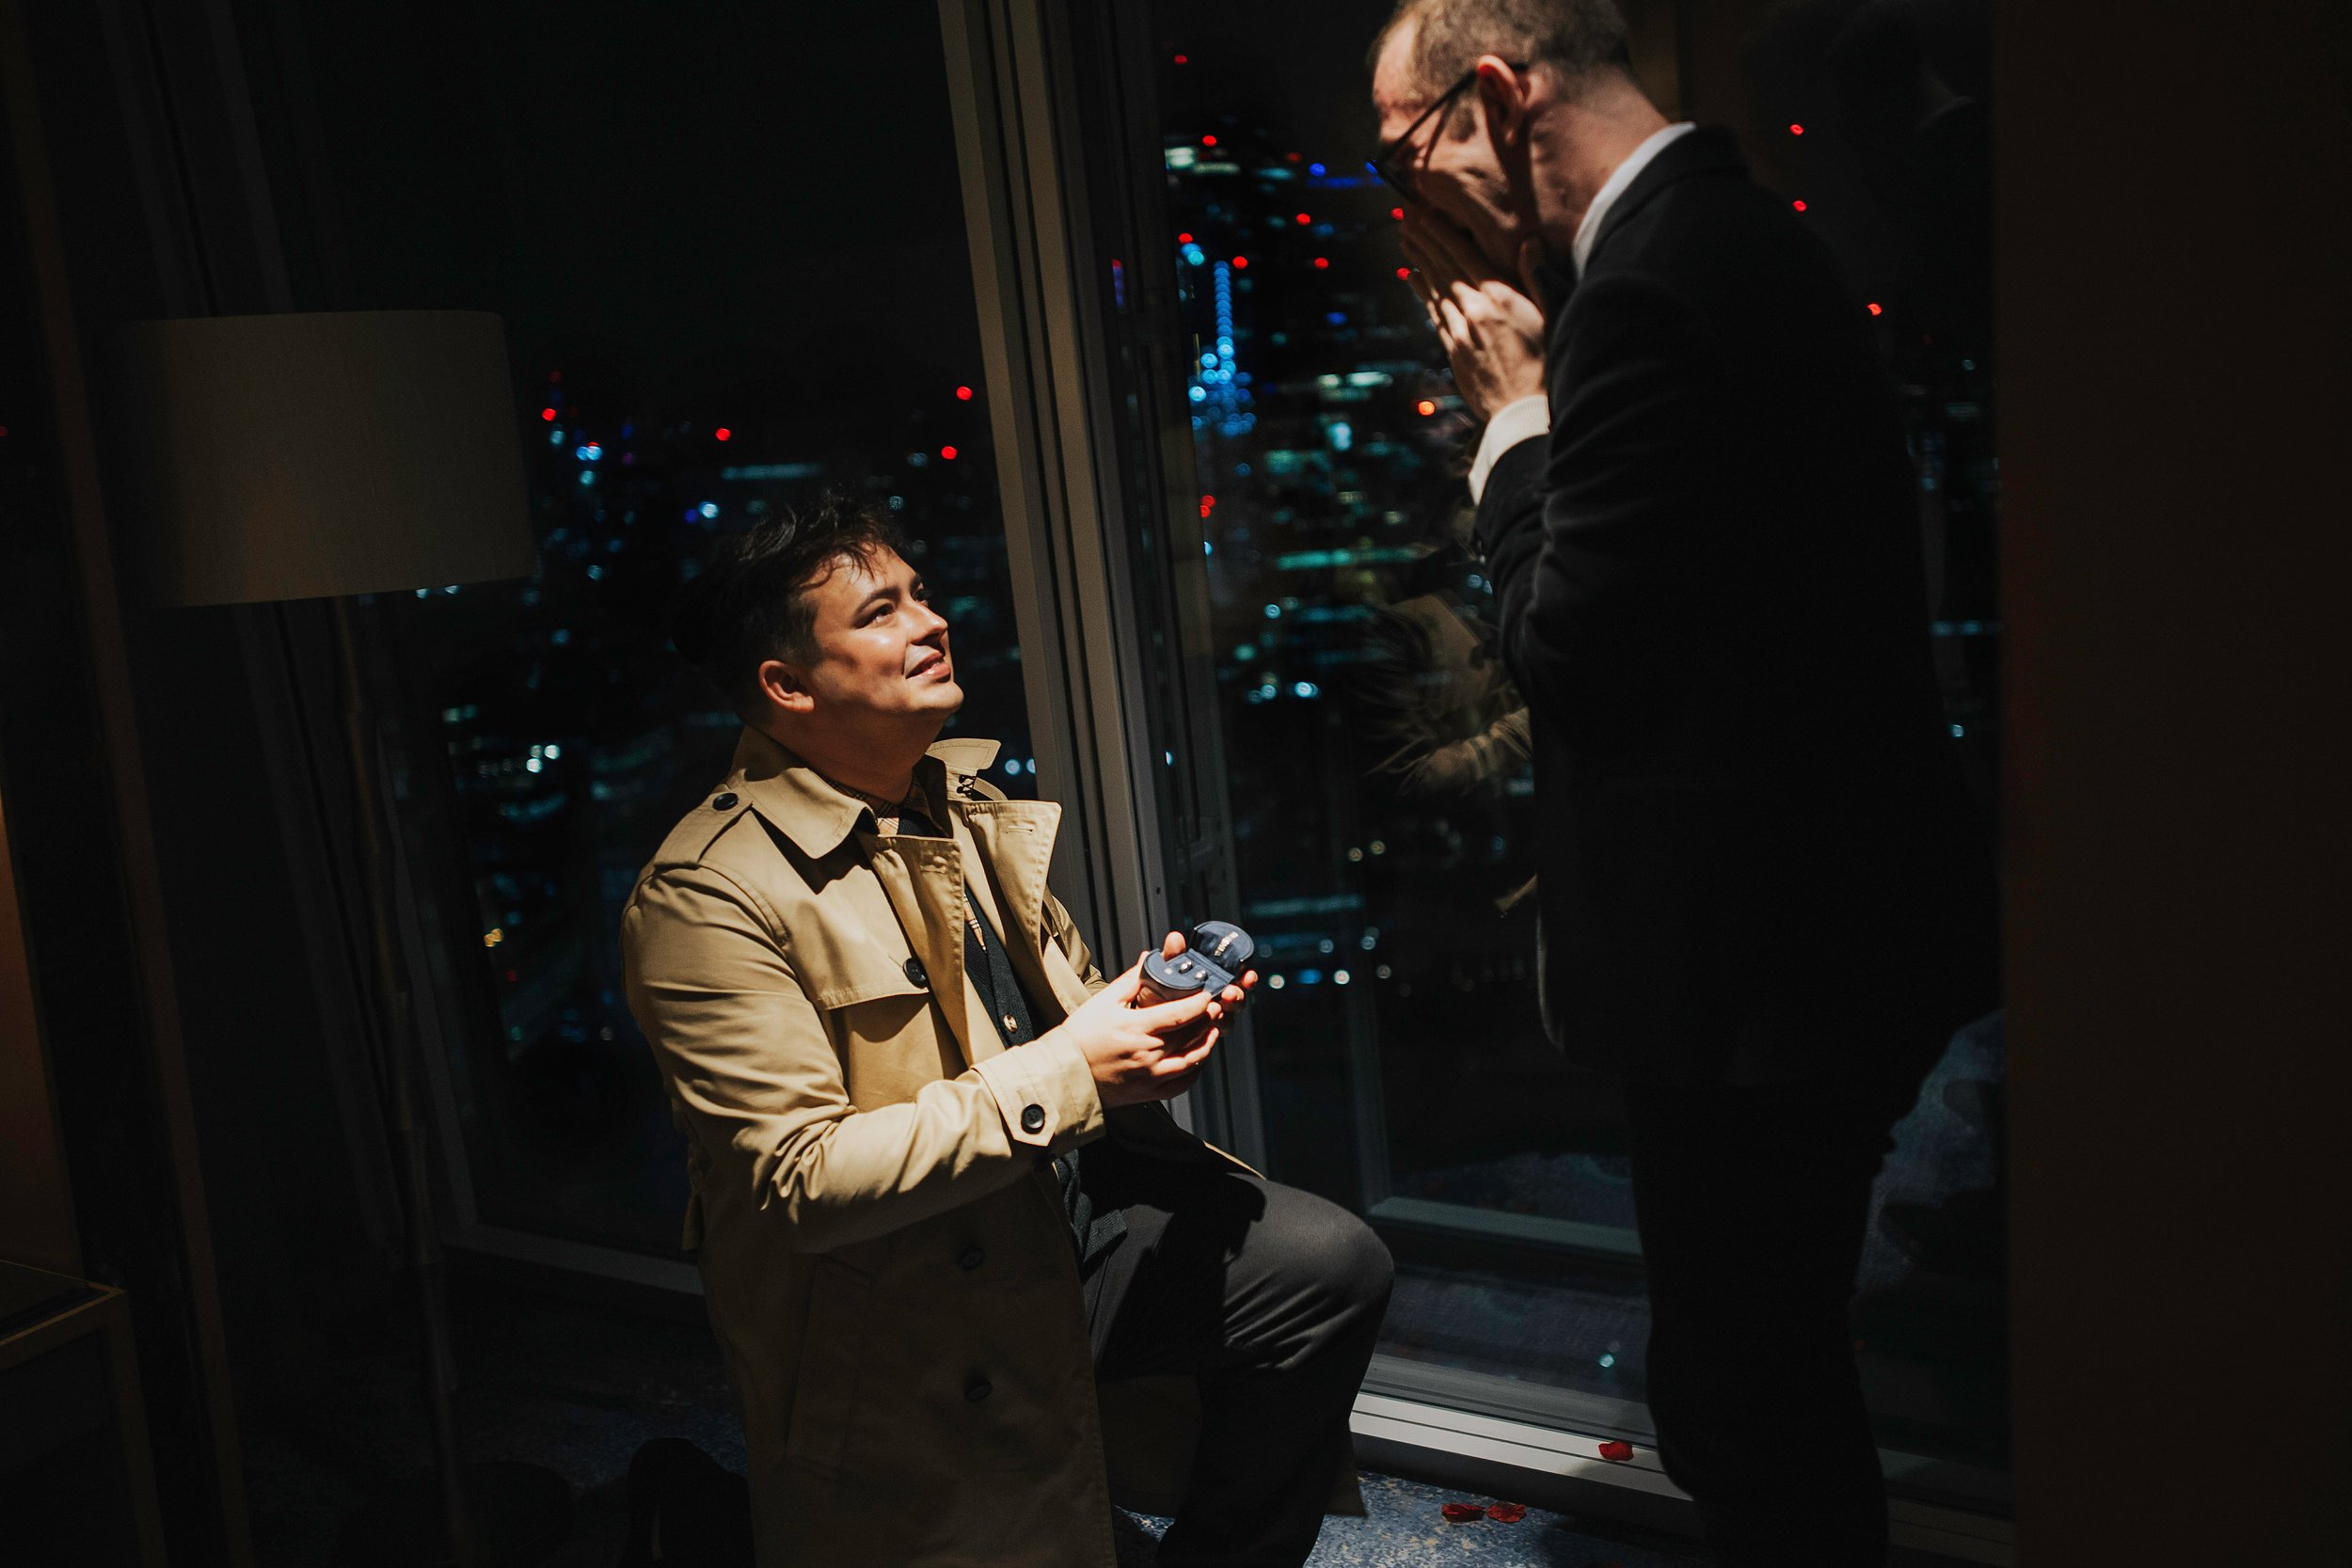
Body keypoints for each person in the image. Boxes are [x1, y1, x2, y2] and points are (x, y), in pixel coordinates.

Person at [1366, 3, 1998, 1563]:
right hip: (1815, 938)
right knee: (1757, 1378)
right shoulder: (1728, 243)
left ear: (1496, 101)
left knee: (1745, 1406)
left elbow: (1573, 655)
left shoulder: (1648, 290)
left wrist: (1511, 415)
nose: (1411, 209)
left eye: (1405, 157)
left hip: (1761, 980)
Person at [621, 498, 1392, 1568]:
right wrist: (1076, 1068)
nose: (929, 622)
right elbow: (796, 1180)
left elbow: (1050, 1039)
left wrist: (1131, 1023)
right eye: (880, 611)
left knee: (1329, 1266)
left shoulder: (962, 803)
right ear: (787, 686)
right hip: (905, 1291)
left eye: (921, 594)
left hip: (1050, 1219)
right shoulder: (705, 896)